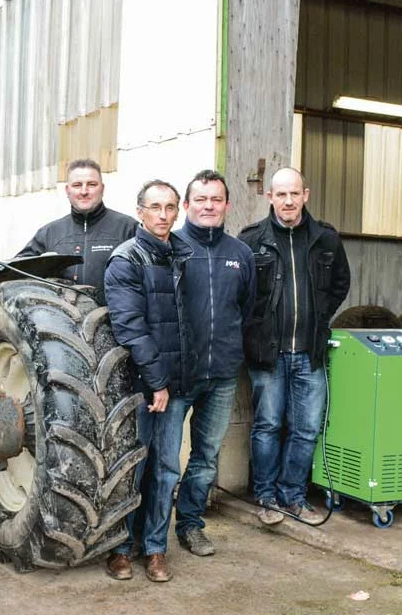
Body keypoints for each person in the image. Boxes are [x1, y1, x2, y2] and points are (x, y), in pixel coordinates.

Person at [238, 167, 351, 526]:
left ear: (306, 195)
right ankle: (266, 497)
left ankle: (293, 496)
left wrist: (319, 318)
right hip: (268, 354)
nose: (288, 201)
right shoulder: (252, 239)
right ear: (269, 197)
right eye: (280, 194)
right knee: (268, 425)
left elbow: (340, 284)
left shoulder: (326, 240)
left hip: (309, 352)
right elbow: (242, 293)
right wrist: (256, 328)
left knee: (306, 428)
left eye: (294, 193)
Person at [103, 180, 190, 583]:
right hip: (141, 387)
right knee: (132, 471)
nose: (163, 214)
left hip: (174, 385)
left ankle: (155, 549)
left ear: (178, 212)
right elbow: (130, 327)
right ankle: (120, 548)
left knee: (167, 470)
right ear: (140, 212)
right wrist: (156, 382)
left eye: (170, 207)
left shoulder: (181, 255)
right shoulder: (127, 259)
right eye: (154, 207)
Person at [170, 169, 256, 557]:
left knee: (205, 458)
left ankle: (190, 525)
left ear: (226, 205)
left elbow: (246, 309)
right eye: (200, 199)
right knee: (164, 460)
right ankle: (147, 536)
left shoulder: (241, 255)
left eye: (216, 199)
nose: (208, 206)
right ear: (186, 205)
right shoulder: (169, 248)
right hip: (176, 377)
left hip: (221, 375)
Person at [17, 159, 137, 304]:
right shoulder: (49, 233)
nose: (84, 191)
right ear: (67, 190)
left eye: (92, 184)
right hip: (61, 324)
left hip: (115, 323)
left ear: (102, 188)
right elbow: (16, 272)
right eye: (77, 185)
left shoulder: (128, 228)